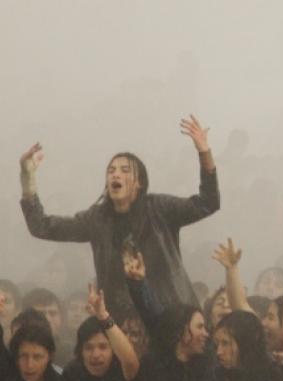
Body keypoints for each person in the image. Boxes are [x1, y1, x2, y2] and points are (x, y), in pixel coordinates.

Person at [19, 116, 220, 319]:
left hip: (172, 317)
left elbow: (208, 203)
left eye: (125, 171)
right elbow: (41, 226)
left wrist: (204, 151)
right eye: (111, 171)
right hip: (121, 324)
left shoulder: (160, 209)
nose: (116, 175)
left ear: (139, 182)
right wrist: (28, 179)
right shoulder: (97, 219)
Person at [39, 285, 140, 381]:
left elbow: (130, 360)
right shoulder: (75, 370)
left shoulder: (120, 367)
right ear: (80, 351)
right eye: (88, 348)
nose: (96, 355)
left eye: (103, 347)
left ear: (113, 349)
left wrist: (103, 316)